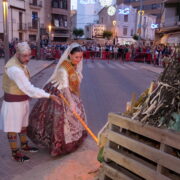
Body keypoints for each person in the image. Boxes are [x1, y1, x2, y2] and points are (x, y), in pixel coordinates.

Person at [0, 42, 60, 162]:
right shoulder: (14, 69)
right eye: (24, 56)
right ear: (17, 54)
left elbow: (27, 88)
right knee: (13, 128)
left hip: (22, 101)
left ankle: (24, 145)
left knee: (23, 125)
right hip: (13, 104)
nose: (27, 59)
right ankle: (15, 153)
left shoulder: (20, 63)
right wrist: (48, 95)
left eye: (29, 55)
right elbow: (28, 88)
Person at [27, 43, 87, 157]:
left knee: (76, 115)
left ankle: (73, 140)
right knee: (60, 118)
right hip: (59, 93)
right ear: (69, 55)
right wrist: (71, 102)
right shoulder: (63, 68)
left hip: (69, 91)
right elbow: (64, 87)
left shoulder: (75, 66)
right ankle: (60, 145)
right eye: (76, 57)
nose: (79, 60)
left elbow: (74, 84)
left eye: (81, 57)